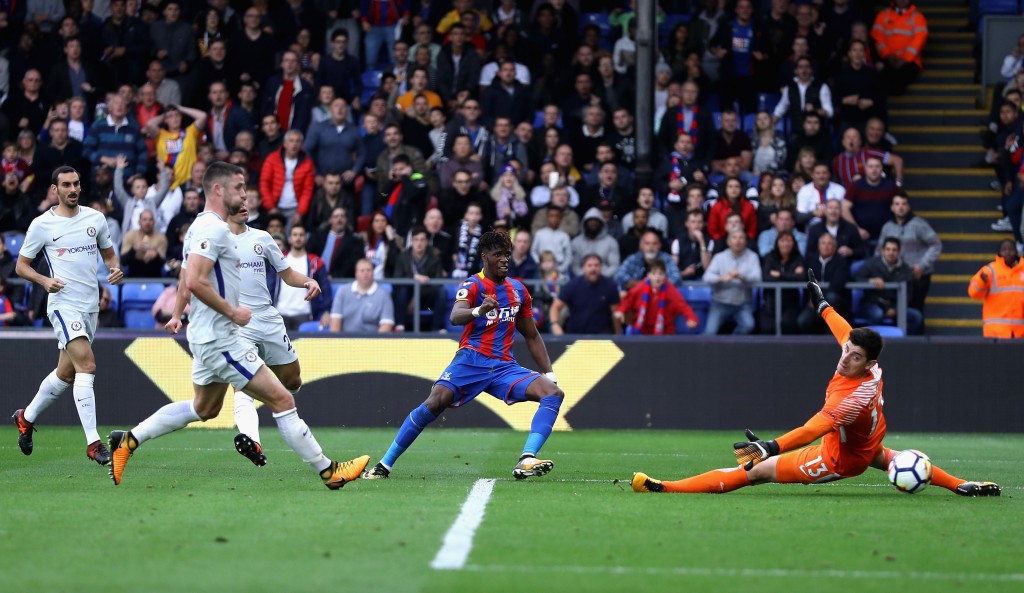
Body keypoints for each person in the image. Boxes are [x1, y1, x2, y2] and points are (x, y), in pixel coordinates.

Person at [107, 161, 371, 489]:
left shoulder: (198, 228)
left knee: (204, 408)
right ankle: (329, 471)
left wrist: (186, 314)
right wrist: (232, 313)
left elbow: (189, 278)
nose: (245, 195)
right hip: (221, 337)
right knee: (283, 401)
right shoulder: (214, 229)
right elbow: (195, 280)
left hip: (207, 336)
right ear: (218, 190)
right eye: (239, 188)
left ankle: (128, 441)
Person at [632, 271, 1001, 497]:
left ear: (869, 363)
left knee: (755, 472)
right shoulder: (864, 362)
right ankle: (960, 484)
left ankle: (665, 487)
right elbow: (843, 331)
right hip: (868, 444)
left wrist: (771, 445)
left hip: (837, 457)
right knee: (886, 457)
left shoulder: (854, 397)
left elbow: (815, 428)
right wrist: (822, 303)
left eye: (854, 356)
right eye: (846, 351)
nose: (845, 358)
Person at [362, 230, 564, 480]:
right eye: (498, 255)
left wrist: (550, 373)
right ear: (484, 257)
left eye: (507, 255)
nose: (504, 260)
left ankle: (526, 459)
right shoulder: (473, 285)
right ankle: (384, 465)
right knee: (435, 402)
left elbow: (532, 335)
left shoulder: (518, 291)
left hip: (503, 367)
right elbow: (455, 316)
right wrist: (479, 309)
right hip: (471, 360)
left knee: (553, 394)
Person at [12, 165, 124, 465]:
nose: (73, 189)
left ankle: (26, 417)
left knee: (66, 373)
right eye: (66, 185)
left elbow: (109, 254)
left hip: (90, 306)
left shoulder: (95, 219)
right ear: (55, 189)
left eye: (76, 184)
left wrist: (114, 268)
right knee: (87, 365)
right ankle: (93, 443)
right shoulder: (42, 225)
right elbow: (21, 266)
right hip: (62, 304)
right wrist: (44, 281)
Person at [218, 202, 324, 466]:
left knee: (293, 381)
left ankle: (266, 391)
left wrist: (309, 281)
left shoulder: (262, 238)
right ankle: (251, 440)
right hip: (238, 323)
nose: (244, 206)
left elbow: (287, 274)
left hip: (268, 319)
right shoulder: (215, 241)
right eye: (237, 204)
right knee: (243, 384)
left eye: (245, 203)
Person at [876, 193, 941, 313]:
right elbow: (879, 250)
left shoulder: (919, 224)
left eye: (904, 204)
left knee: (916, 310)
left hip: (918, 275)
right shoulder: (887, 227)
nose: (900, 207)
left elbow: (936, 244)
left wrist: (921, 265)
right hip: (895, 275)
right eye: (897, 204)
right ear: (892, 207)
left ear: (908, 206)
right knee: (897, 310)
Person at [855, 237, 924, 335]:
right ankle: (872, 344)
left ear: (899, 252)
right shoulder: (871, 264)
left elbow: (908, 294)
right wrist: (870, 280)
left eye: (894, 250)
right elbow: (857, 279)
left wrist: (895, 308)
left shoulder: (906, 269)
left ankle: (907, 344)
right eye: (888, 249)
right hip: (872, 303)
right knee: (877, 314)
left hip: (895, 306)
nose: (891, 253)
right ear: (883, 251)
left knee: (916, 316)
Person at [702, 229, 762, 335]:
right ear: (728, 242)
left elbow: (758, 277)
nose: (737, 241)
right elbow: (706, 277)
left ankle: (732, 345)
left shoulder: (753, 257)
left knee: (749, 325)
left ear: (745, 241)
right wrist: (721, 278)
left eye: (741, 238)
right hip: (720, 303)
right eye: (734, 238)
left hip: (742, 304)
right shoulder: (719, 257)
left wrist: (743, 277)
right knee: (709, 332)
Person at [275, 223, 333, 330]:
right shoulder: (279, 260)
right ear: (289, 239)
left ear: (306, 238)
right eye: (295, 235)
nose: (298, 238)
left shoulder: (315, 262)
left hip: (304, 314)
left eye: (301, 235)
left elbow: (326, 289)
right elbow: (269, 285)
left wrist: (326, 311)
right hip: (280, 313)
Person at [615, 258, 697, 335]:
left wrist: (691, 318)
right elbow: (628, 300)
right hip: (642, 330)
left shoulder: (670, 290)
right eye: (654, 274)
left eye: (661, 274)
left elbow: (682, 306)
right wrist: (620, 310)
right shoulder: (640, 287)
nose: (657, 277)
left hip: (665, 332)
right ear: (648, 275)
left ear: (665, 276)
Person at [549, 254, 620, 335]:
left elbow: (615, 313)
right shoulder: (572, 285)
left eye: (596, 265)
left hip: (603, 337)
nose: (593, 268)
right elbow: (555, 307)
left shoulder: (610, 286)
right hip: (575, 336)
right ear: (583, 267)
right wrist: (555, 325)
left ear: (601, 268)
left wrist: (618, 335)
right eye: (590, 265)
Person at [967, 239, 1024, 338]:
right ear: (999, 253)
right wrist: (982, 282)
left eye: (1011, 249)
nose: (1008, 252)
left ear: (1016, 252)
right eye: (1004, 250)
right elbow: (973, 293)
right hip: (996, 332)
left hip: (1020, 333)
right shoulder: (989, 270)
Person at [871, 0, 927, 96]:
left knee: (899, 80)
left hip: (910, 62)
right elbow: (877, 36)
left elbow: (919, 39)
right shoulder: (883, 15)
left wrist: (905, 59)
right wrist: (887, 55)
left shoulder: (917, 17)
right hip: (887, 60)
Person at [329, 258, 395, 333]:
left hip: (372, 342)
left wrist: (374, 343)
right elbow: (335, 321)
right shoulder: (342, 291)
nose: (365, 273)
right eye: (362, 271)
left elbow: (387, 324)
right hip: (346, 342)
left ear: (373, 273)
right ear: (356, 274)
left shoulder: (384, 294)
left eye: (368, 270)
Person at [761, 231, 805, 335]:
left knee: (788, 324)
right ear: (777, 243)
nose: (786, 244)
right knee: (767, 327)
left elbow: (801, 278)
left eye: (789, 241)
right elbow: (766, 277)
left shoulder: (798, 258)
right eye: (782, 241)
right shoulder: (769, 257)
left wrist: (780, 275)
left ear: (793, 243)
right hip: (770, 303)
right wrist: (791, 275)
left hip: (791, 303)